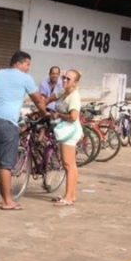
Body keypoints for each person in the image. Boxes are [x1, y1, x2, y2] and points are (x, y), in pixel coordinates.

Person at [0, 51, 49, 210]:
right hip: (6, 122)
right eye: (27, 64)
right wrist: (45, 113)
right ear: (18, 64)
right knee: (6, 164)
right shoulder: (25, 78)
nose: (28, 68)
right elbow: (38, 100)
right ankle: (7, 201)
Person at [43, 68, 83, 207]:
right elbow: (49, 98)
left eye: (68, 79)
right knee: (71, 164)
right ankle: (71, 195)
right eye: (64, 77)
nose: (64, 80)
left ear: (75, 83)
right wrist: (40, 107)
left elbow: (73, 117)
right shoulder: (63, 91)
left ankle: (68, 198)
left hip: (70, 132)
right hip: (65, 130)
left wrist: (59, 115)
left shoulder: (73, 96)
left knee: (68, 165)